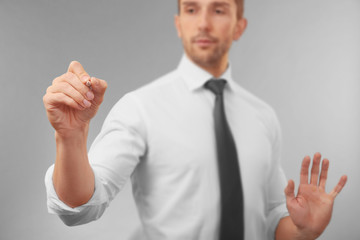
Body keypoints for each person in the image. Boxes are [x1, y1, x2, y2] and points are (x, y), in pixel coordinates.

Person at [43, 0, 347, 239]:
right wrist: (70, 137)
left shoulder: (263, 117)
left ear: (239, 26)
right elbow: (80, 205)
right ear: (178, 24)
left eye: (218, 9)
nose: (203, 23)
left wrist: (304, 231)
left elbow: (269, 222)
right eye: (191, 9)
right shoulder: (140, 108)